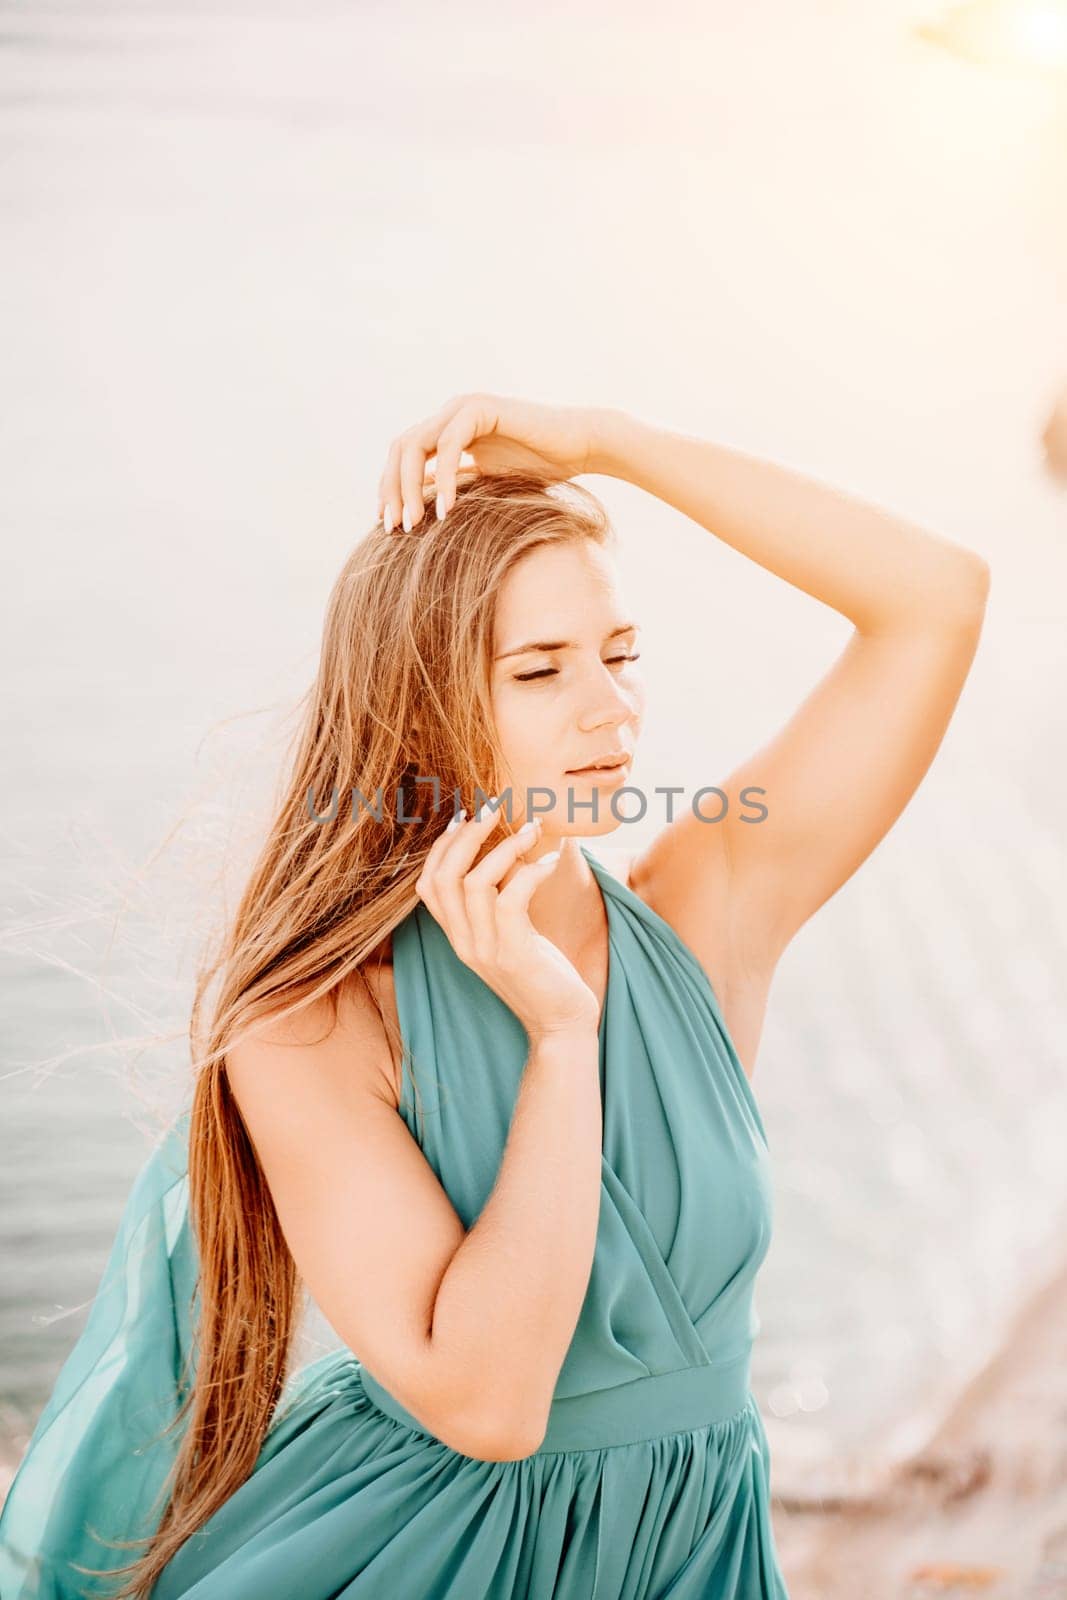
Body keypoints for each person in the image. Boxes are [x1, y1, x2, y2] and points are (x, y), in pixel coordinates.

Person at [0, 394, 991, 1599]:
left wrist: (603, 444)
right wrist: (559, 1039)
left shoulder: (701, 908)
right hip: (422, 1560)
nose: (611, 713)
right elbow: (490, 1405)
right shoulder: (312, 1021)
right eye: (539, 670)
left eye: (620, 657)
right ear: (416, 707)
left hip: (695, 1552)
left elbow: (933, 599)